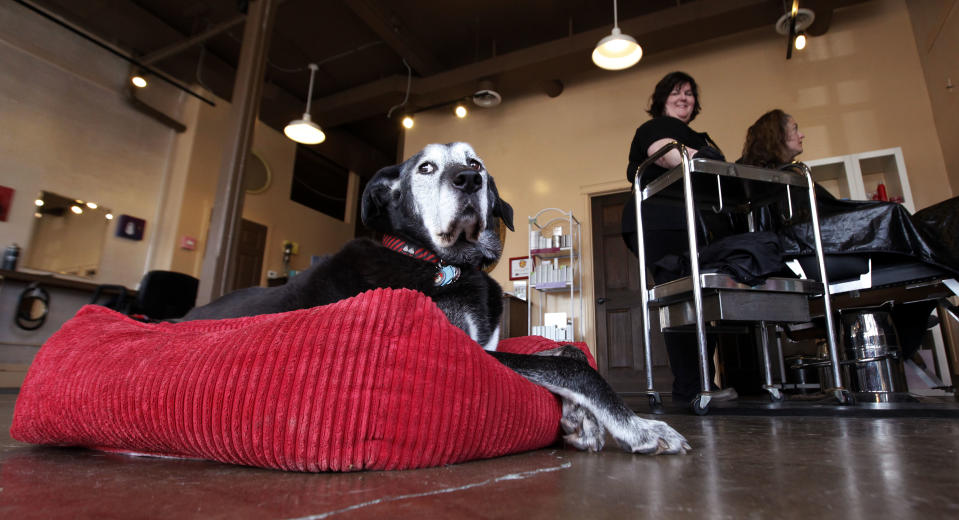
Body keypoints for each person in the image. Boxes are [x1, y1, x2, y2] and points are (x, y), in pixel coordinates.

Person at [622, 71, 736, 404]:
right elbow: (673, 157)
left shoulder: (700, 135)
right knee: (681, 298)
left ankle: (702, 383)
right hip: (662, 223)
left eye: (689, 93)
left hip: (693, 224)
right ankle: (691, 387)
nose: (684, 97)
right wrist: (706, 159)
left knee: (702, 301)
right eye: (676, 92)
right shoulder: (656, 128)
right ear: (661, 99)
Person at [740, 109, 805, 168]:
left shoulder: (798, 171)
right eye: (794, 129)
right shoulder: (744, 174)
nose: (802, 135)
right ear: (778, 135)